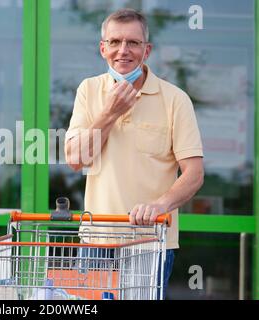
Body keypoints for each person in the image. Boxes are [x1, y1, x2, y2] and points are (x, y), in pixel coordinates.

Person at [65, 8, 204, 299]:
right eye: (114, 42)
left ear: (147, 50)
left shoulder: (175, 100)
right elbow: (76, 159)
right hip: (96, 243)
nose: (123, 51)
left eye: (133, 43)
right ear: (103, 48)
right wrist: (109, 113)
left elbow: (194, 174)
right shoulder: (88, 91)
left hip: (150, 244)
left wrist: (160, 205)